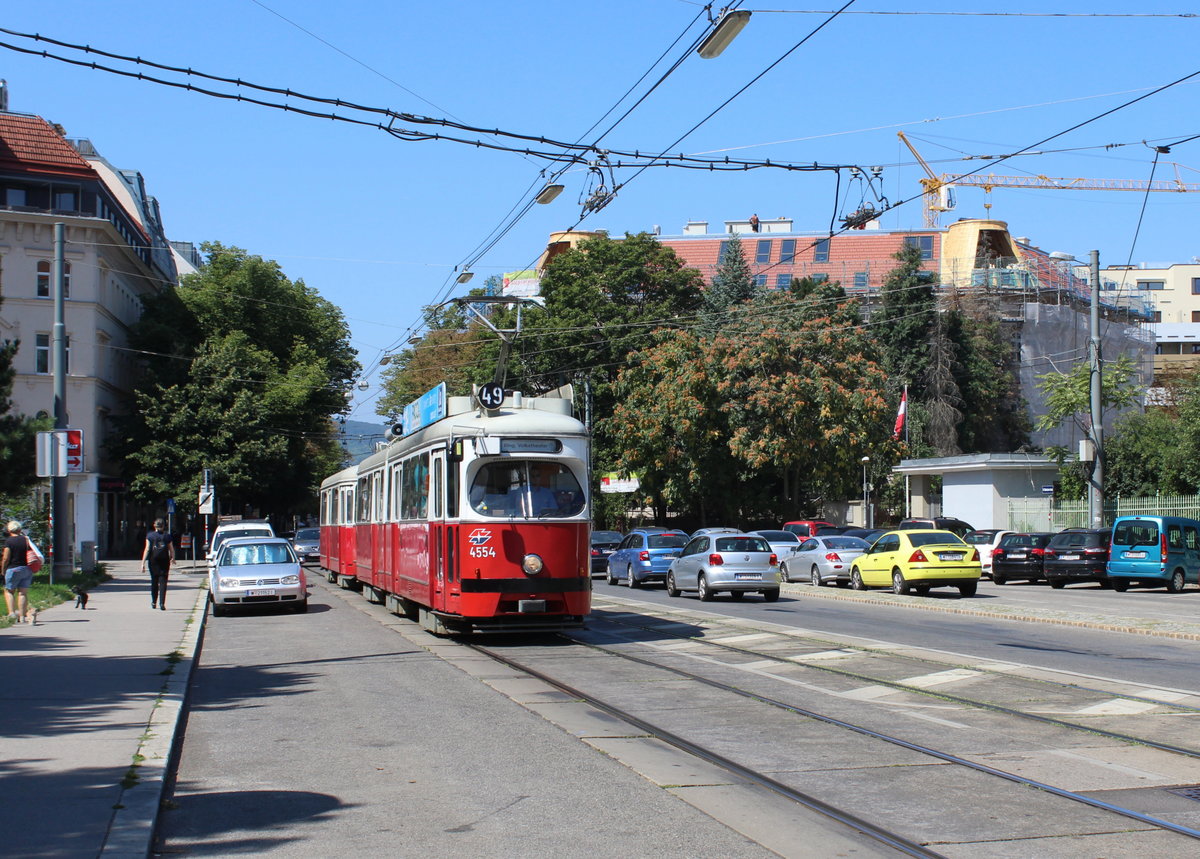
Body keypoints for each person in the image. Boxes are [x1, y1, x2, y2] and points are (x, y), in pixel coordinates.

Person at [3, 521, 36, 624]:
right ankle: (22, 617)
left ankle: (12, 614)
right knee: (22, 593)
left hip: (13, 568)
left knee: (9, 591)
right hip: (26, 569)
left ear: (9, 530)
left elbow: (6, 558)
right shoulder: (26, 540)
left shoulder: (9, 541)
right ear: (20, 529)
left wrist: (3, 570)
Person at [141, 518, 175, 610]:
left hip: (153, 561)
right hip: (164, 560)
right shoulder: (167, 536)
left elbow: (147, 549)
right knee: (163, 582)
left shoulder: (150, 536)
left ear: (154, 525)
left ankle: (153, 602)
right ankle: (162, 603)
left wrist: (143, 562)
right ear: (163, 526)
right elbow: (171, 549)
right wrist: (173, 558)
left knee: (154, 581)